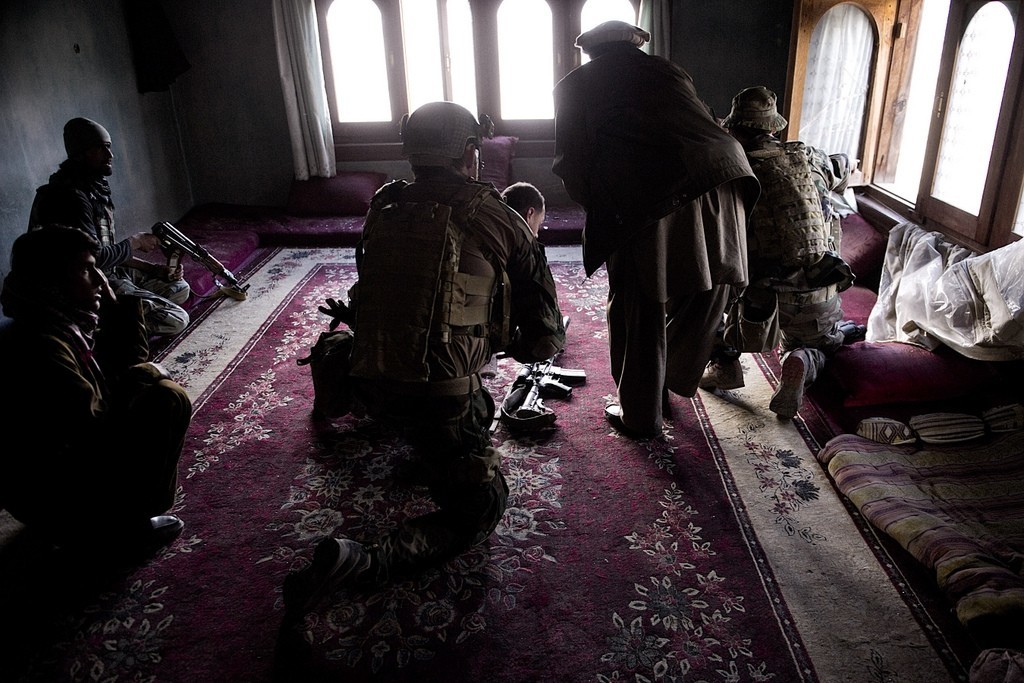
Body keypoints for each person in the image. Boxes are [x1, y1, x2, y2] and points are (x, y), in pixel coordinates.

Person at [283, 101, 565, 614]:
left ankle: (340, 395)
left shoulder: (383, 205)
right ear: (471, 153)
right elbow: (546, 340)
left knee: (383, 387)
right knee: (479, 510)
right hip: (442, 401)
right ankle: (363, 562)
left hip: (370, 379)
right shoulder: (502, 219)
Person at [551, 21, 759, 438]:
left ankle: (640, 415)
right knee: (709, 287)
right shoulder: (668, 70)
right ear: (635, 46)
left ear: (591, 52)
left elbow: (572, 164)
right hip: (726, 176)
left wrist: (606, 211)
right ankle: (671, 376)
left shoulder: (575, 83)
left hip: (655, 195)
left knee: (638, 303)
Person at [0, 225, 192, 557]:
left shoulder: (56, 320)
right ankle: (117, 530)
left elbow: (112, 376)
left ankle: (103, 520)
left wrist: (121, 308)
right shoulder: (41, 344)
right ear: (53, 278)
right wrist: (142, 376)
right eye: (87, 270)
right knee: (166, 398)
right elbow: (93, 430)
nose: (101, 279)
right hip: (54, 498)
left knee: (144, 387)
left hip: (53, 484)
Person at [699, 86, 853, 419]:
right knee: (824, 344)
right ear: (774, 128)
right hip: (818, 289)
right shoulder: (811, 157)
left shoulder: (731, 170)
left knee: (710, 292)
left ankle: (724, 363)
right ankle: (801, 359)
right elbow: (843, 167)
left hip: (757, 303)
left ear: (734, 128)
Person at [28, 117, 190, 337]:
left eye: (109, 148)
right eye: (101, 149)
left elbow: (105, 249)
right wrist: (135, 242)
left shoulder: (91, 187)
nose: (110, 156)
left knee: (179, 288)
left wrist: (153, 269)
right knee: (177, 319)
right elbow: (93, 259)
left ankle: (123, 308)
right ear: (82, 153)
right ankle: (101, 326)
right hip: (80, 286)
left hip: (104, 271)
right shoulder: (69, 197)